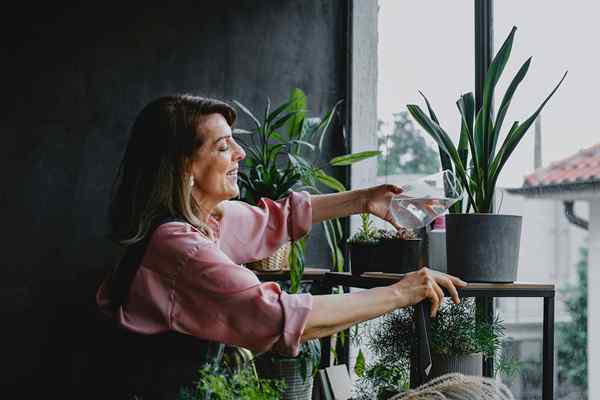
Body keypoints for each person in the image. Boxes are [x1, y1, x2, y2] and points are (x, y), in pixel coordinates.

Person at [95, 94, 466, 398]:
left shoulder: (206, 221)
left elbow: (276, 219)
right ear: (184, 168)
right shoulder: (179, 247)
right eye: (224, 147)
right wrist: (402, 292)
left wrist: (365, 200)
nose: (240, 153)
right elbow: (284, 319)